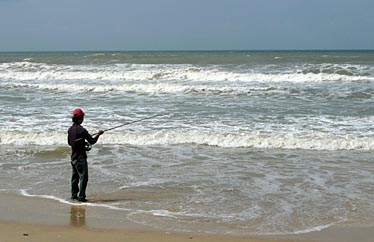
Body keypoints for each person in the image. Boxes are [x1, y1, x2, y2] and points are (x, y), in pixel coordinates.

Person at [67, 108, 104, 202]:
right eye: (82, 117)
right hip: (81, 158)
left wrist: (81, 143)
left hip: (73, 158)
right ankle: (81, 197)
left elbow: (69, 143)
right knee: (84, 177)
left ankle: (74, 195)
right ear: (80, 118)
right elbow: (92, 141)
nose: (83, 119)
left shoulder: (70, 130)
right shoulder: (82, 130)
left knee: (75, 178)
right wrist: (99, 134)